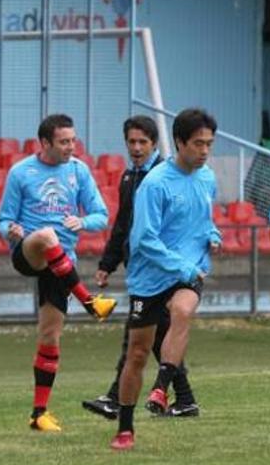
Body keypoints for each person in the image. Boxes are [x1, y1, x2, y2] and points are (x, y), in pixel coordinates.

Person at [0, 113, 116, 433]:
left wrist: (83, 222)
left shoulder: (79, 171)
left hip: (62, 266)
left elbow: (101, 215)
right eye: (64, 141)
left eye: (73, 140)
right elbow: (2, 220)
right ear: (45, 143)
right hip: (29, 252)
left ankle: (39, 414)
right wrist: (12, 230)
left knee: (50, 337)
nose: (71, 147)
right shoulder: (21, 172)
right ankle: (90, 302)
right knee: (48, 235)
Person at [110, 108, 221, 450]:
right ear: (178, 142)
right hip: (151, 275)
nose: (204, 151)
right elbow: (144, 239)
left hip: (187, 270)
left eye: (209, 144)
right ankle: (125, 428)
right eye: (198, 144)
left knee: (184, 310)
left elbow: (204, 221)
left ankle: (161, 387)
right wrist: (180, 266)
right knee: (138, 353)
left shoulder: (207, 178)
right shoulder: (155, 184)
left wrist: (213, 235)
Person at [82, 115, 199, 420]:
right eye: (131, 142)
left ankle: (114, 398)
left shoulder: (161, 177)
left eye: (142, 142)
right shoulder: (128, 177)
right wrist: (108, 263)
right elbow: (123, 225)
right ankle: (184, 399)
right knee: (156, 336)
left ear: (155, 144)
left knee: (136, 336)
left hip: (160, 269)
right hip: (139, 268)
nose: (136, 148)